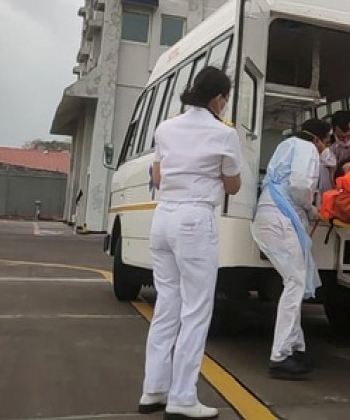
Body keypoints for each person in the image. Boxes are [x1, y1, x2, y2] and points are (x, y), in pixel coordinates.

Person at [139, 66, 243, 420]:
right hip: (194, 221)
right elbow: (233, 186)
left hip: (163, 218)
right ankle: (182, 397)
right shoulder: (223, 134)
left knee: (167, 304)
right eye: (225, 99)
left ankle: (153, 389)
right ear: (218, 98)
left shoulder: (165, 128)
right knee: (196, 310)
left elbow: (156, 175)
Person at [252, 118, 331, 379]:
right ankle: (281, 355)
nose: (323, 149)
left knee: (293, 282)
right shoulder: (308, 149)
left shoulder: (286, 144)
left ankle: (296, 348)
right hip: (280, 219)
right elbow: (299, 185)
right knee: (295, 283)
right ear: (319, 139)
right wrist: (311, 209)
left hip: (268, 215)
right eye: (325, 143)